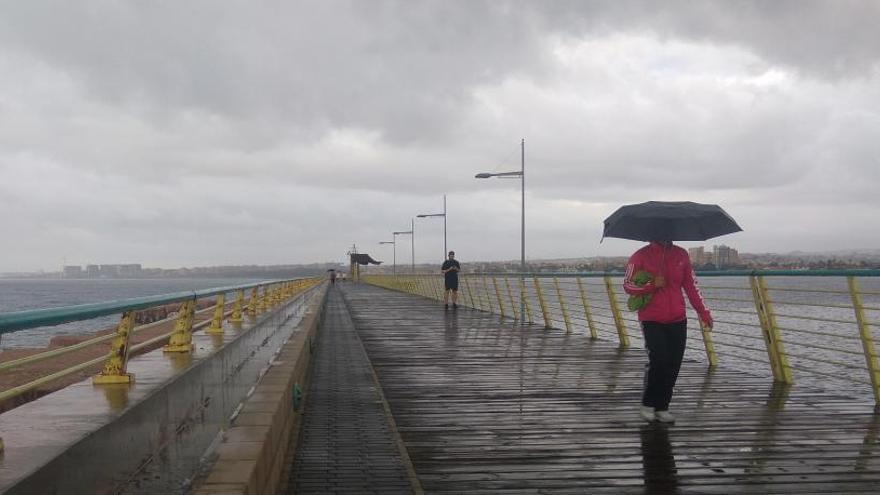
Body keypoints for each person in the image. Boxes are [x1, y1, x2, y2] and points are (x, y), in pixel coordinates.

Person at [623, 240, 713, 424]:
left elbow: (691, 286)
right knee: (659, 361)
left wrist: (704, 312)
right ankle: (648, 403)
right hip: (652, 318)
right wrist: (651, 285)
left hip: (678, 319)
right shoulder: (640, 256)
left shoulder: (681, 255)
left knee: (673, 364)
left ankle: (663, 406)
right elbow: (627, 285)